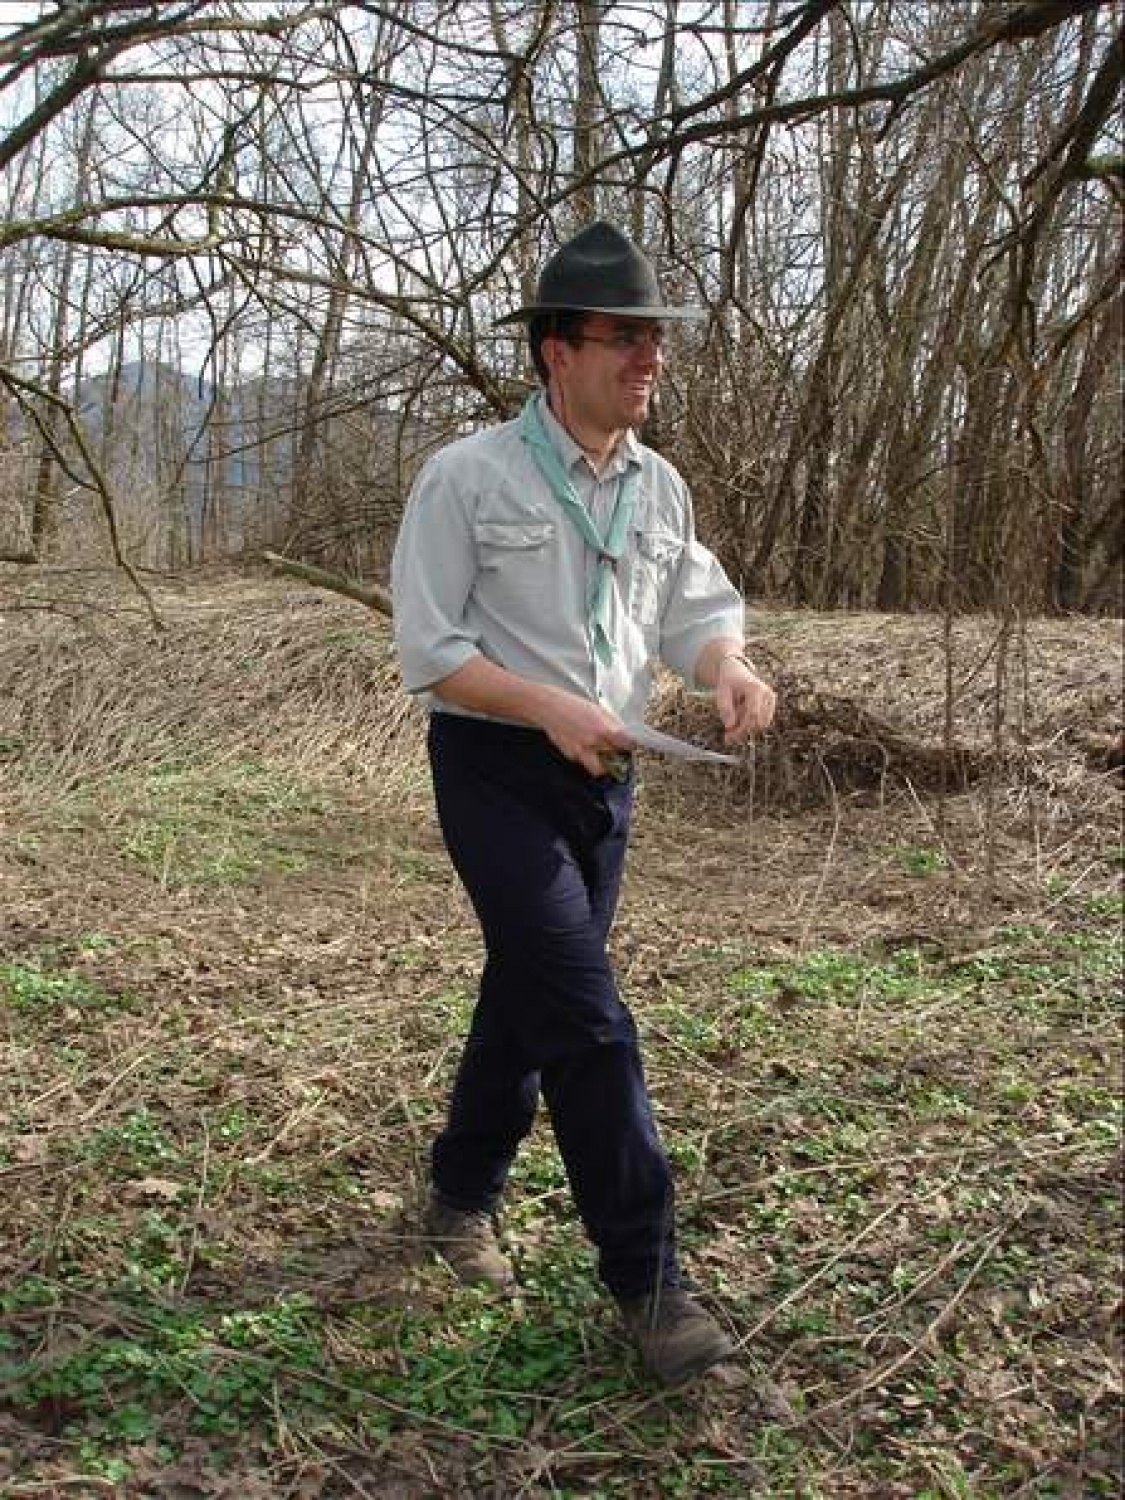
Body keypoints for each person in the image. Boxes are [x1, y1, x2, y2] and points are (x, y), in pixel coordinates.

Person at [390, 221, 776, 1386]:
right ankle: (650, 1282)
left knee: (531, 994)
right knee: (588, 1012)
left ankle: (457, 1199)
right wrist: (546, 705)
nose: (649, 361)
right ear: (558, 352)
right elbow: (430, 649)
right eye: (626, 340)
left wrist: (728, 668)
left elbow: (692, 610)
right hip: (495, 771)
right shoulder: (467, 477)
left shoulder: (659, 485)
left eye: (657, 342)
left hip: (611, 782)